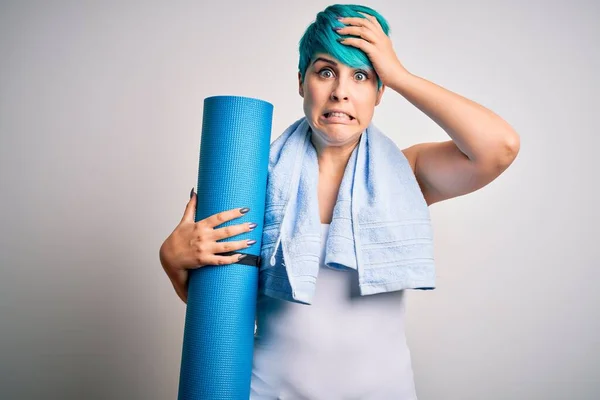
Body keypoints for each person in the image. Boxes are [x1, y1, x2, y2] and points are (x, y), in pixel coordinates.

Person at [159, 4, 520, 399]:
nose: (341, 91)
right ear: (302, 81)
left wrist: (399, 74)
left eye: (361, 76)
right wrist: (173, 261)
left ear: (380, 91)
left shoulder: (408, 172)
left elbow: (499, 147)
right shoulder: (250, 178)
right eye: (325, 71)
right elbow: (219, 305)